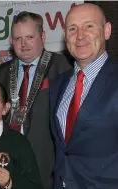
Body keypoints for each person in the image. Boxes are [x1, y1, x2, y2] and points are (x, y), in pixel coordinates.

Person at [0, 11, 72, 189]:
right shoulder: (2, 72)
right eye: (18, 38)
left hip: (47, 162)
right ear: (11, 41)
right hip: (9, 162)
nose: (23, 44)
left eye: (29, 37)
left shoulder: (63, 67)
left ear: (43, 36)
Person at [50, 3, 118, 189]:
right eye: (72, 28)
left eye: (89, 26)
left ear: (106, 31)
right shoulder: (58, 84)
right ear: (65, 37)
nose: (80, 36)